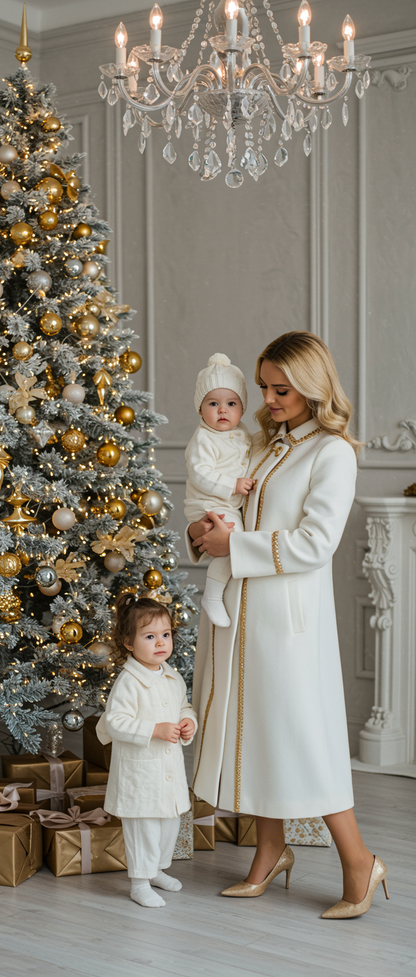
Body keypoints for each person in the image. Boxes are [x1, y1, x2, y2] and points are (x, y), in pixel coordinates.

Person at [187, 332, 388, 920]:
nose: (269, 399)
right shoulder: (263, 445)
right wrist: (204, 537)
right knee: (259, 736)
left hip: (288, 624)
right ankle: (269, 853)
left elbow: (316, 543)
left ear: (312, 387)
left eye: (282, 389)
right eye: (266, 387)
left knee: (304, 741)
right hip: (241, 619)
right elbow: (218, 506)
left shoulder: (332, 453)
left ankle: (359, 861)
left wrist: (237, 543)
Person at [96, 594, 198, 908]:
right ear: (128, 642)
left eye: (165, 635)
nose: (160, 643)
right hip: (139, 772)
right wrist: (153, 729)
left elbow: (184, 706)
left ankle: (155, 871)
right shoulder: (129, 682)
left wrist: (187, 722)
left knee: (168, 822)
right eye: (149, 636)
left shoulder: (173, 676)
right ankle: (139, 882)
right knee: (144, 826)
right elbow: (115, 722)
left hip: (167, 770)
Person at [184, 353, 253, 628]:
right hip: (208, 503)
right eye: (213, 403)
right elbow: (201, 473)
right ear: (201, 410)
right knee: (233, 541)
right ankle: (211, 595)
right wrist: (233, 485)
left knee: (234, 542)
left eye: (231, 403)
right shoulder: (204, 438)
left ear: (242, 409)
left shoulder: (244, 434)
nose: (223, 410)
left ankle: (216, 592)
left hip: (225, 503)